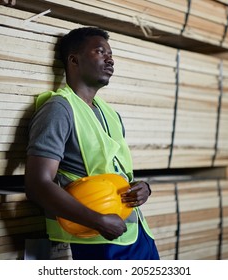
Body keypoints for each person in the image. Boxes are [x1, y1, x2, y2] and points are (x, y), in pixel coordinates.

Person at [24, 26, 160, 260]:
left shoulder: (110, 114)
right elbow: (37, 184)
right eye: (100, 52)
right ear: (74, 60)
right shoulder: (59, 109)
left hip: (137, 234)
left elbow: (117, 173)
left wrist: (143, 189)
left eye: (111, 54)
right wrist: (97, 221)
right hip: (99, 240)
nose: (110, 60)